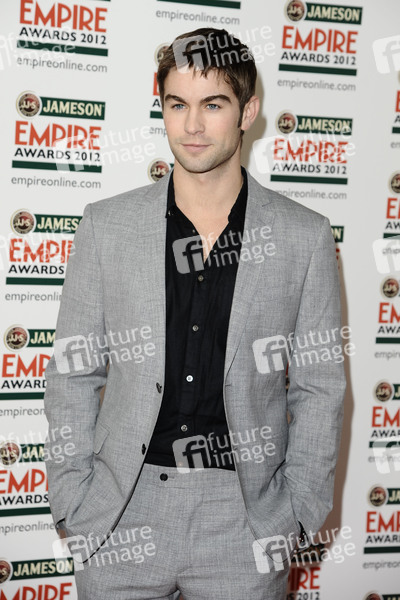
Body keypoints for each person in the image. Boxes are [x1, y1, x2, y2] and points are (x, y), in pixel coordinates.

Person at [44, 27, 346, 600]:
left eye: (213, 105)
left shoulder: (303, 236)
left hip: (245, 520)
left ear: (247, 111)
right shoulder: (107, 225)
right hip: (119, 511)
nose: (192, 126)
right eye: (177, 104)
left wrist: (297, 515)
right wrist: (72, 501)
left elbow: (320, 386)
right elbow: (73, 373)